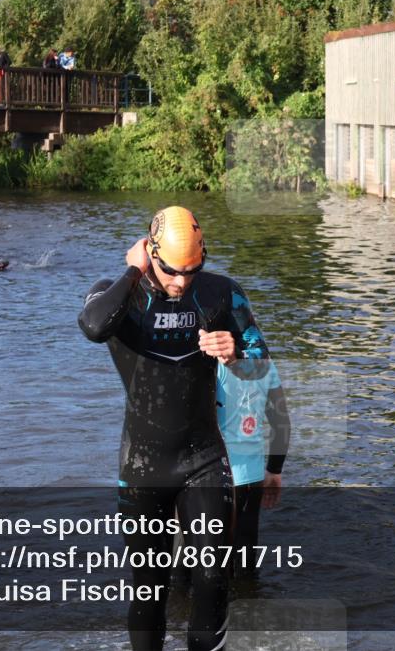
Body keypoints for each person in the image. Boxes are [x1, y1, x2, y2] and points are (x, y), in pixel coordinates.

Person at [79, 206, 270, 651]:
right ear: (149, 253)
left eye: (192, 270)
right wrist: (133, 272)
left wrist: (235, 354)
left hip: (204, 459)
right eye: (170, 271)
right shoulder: (115, 294)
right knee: (150, 587)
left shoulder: (221, 293)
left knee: (213, 578)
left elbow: (263, 366)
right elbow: (92, 327)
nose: (182, 282)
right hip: (144, 466)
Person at [216, 357, 290, 577]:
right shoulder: (264, 363)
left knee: (191, 561)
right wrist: (275, 470)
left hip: (208, 474)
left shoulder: (205, 360)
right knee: (245, 559)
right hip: (252, 477)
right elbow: (281, 422)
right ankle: (248, 602)